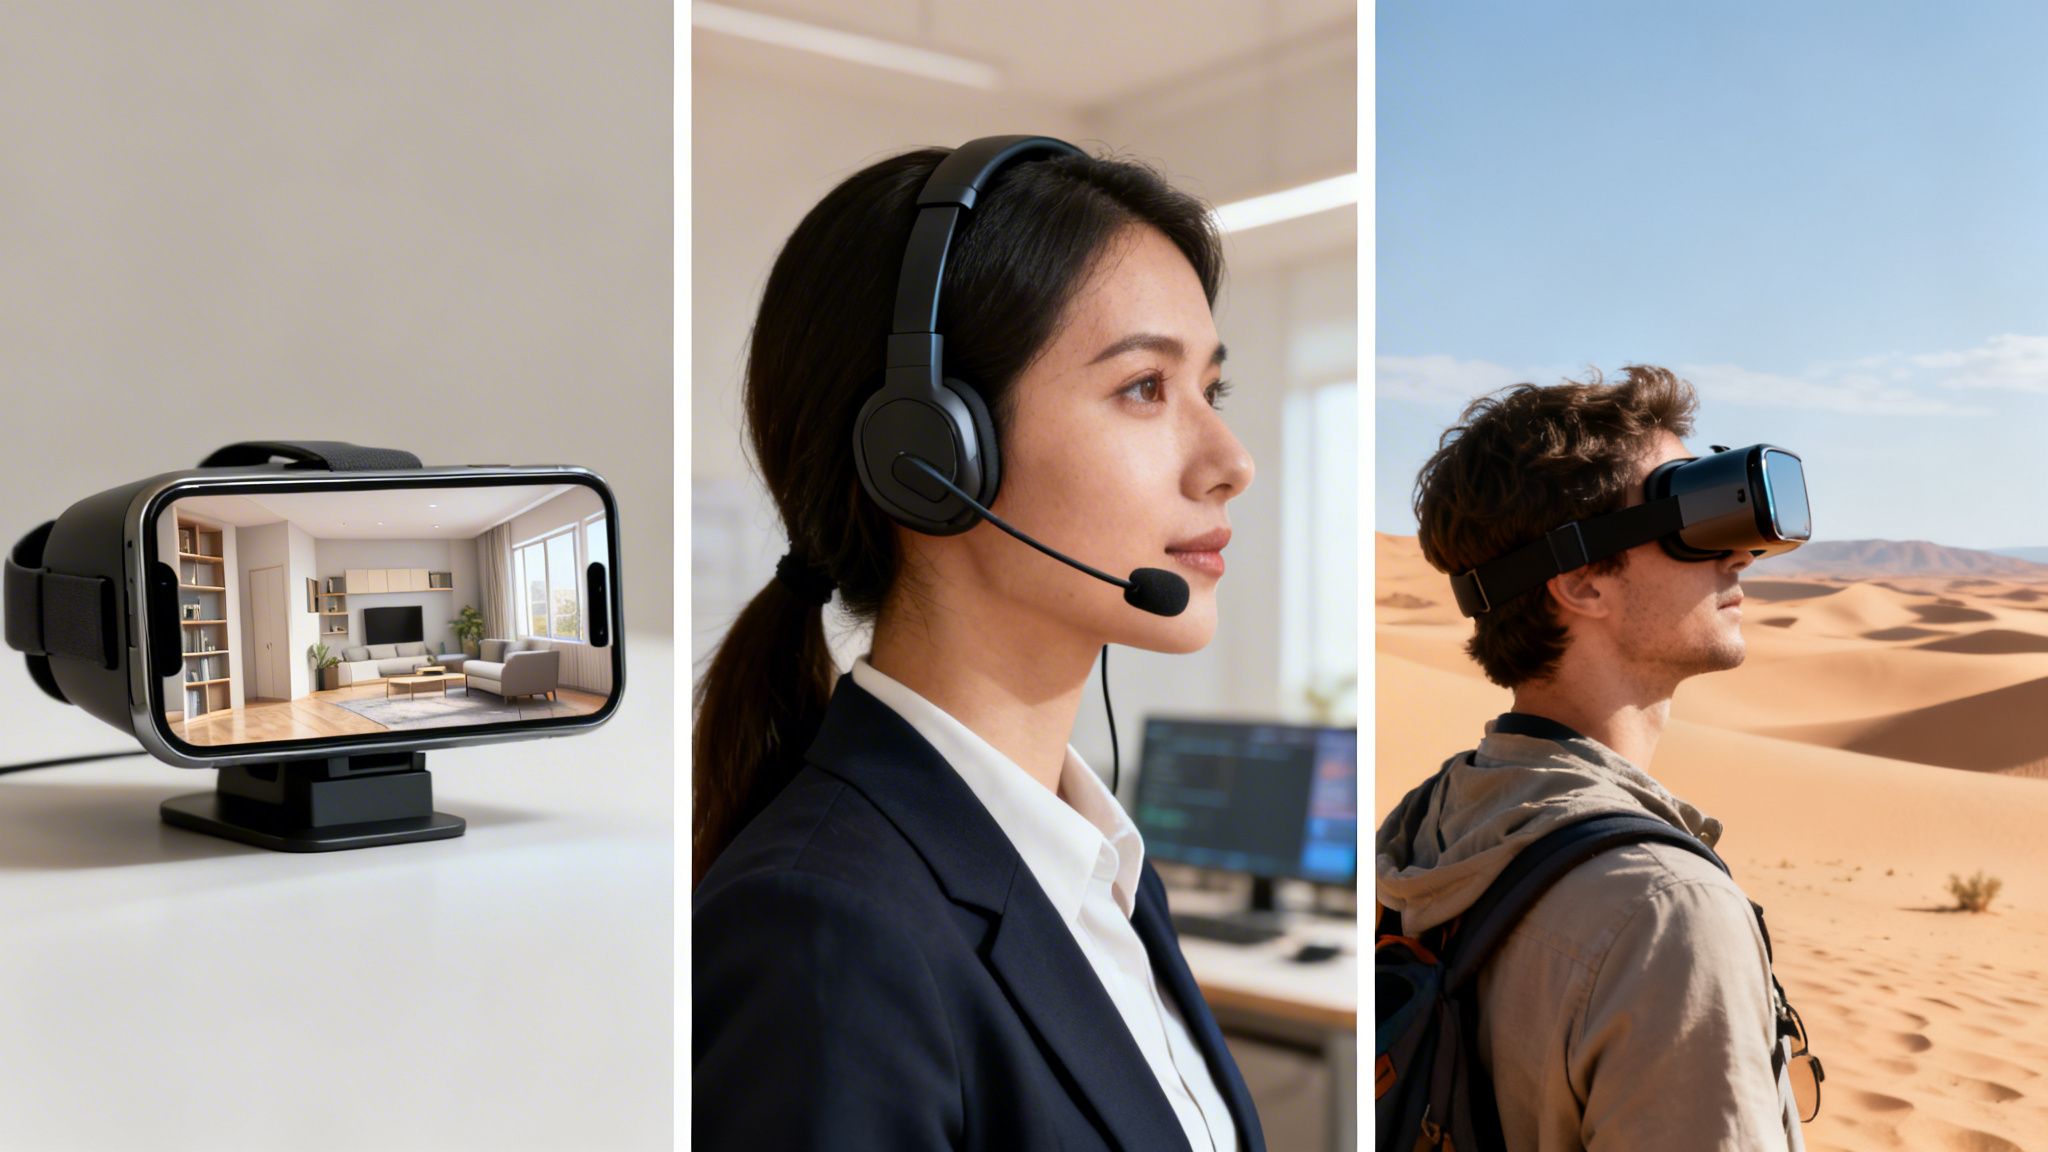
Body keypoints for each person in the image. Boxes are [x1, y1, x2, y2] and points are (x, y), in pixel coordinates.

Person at [692, 138, 1265, 1151]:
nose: (1230, 461)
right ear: (927, 454)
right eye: (1144, 386)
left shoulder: (1099, 868)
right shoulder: (822, 931)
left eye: (1209, 392)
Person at [1375, 367, 1807, 1150]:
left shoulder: (1428, 826)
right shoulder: (1665, 912)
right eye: (1691, 515)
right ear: (1581, 582)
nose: (1740, 554)